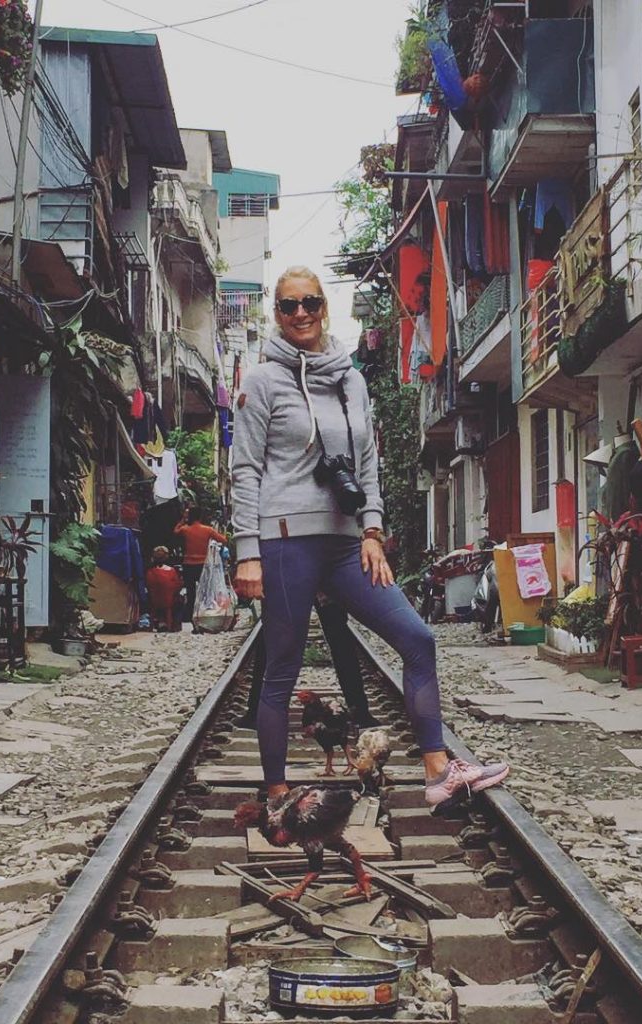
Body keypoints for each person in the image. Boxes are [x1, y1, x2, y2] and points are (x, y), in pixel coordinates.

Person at [231, 266, 508, 806]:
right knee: (282, 667)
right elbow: (246, 470)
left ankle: (437, 771)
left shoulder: (350, 378)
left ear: (323, 307)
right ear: (277, 315)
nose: (301, 313)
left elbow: (367, 461)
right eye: (289, 306)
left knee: (416, 638)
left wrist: (373, 531)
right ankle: (277, 791)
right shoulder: (262, 382)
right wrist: (248, 553)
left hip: (345, 544)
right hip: (285, 538)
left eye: (310, 302)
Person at [239, 595, 380, 730]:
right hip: (317, 576)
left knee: (273, 634)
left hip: (307, 576)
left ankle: (255, 712)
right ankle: (360, 712)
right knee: (340, 638)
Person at [175, 506, 227, 624]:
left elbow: (175, 531)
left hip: (188, 564)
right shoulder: (207, 530)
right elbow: (223, 540)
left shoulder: (185, 529)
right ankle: (204, 613)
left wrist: (183, 519)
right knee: (206, 590)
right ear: (200, 516)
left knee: (190, 591)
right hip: (203, 565)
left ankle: (190, 615)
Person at [145, 546, 184, 632]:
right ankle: (175, 626)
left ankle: (155, 622)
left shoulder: (150, 572)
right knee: (181, 600)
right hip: (168, 601)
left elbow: (148, 585)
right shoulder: (172, 571)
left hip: (154, 601)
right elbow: (177, 586)